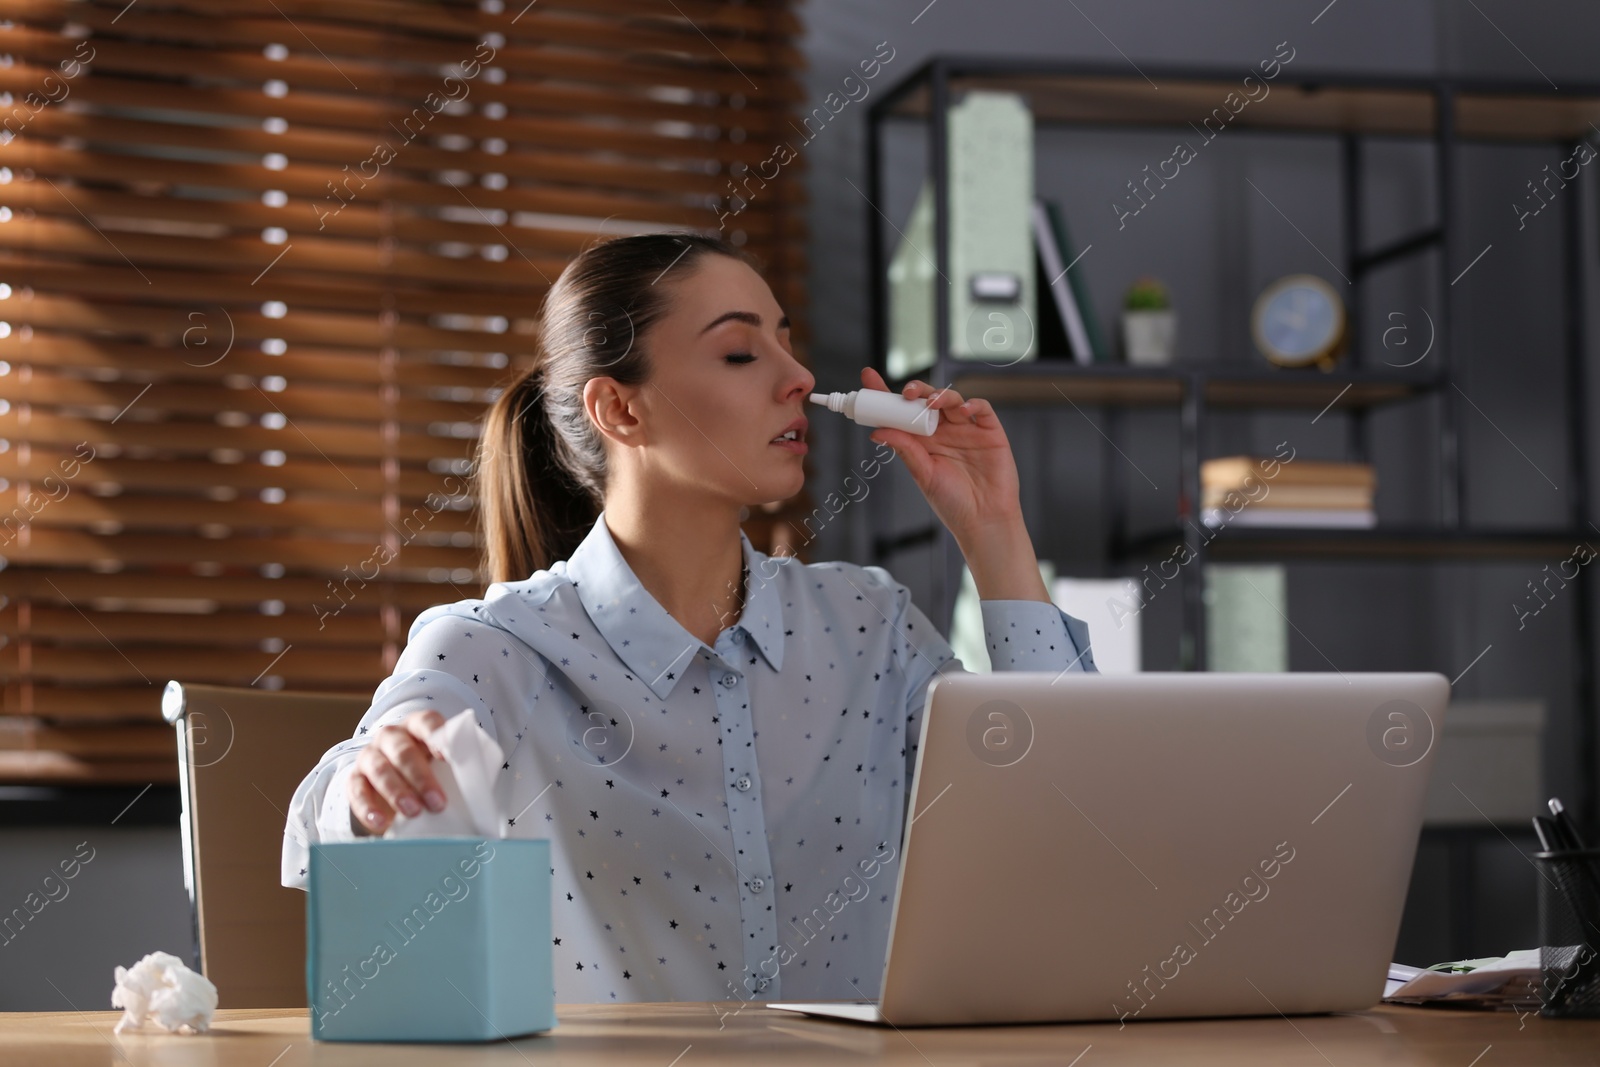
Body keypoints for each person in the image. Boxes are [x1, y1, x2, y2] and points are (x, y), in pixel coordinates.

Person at [282, 232, 1096, 1005]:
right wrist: (374, 778)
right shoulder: (499, 649)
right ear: (621, 411)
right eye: (743, 352)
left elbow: (1062, 817)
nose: (799, 377)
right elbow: (325, 822)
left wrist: (994, 530)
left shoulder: (870, 626)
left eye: (786, 340)